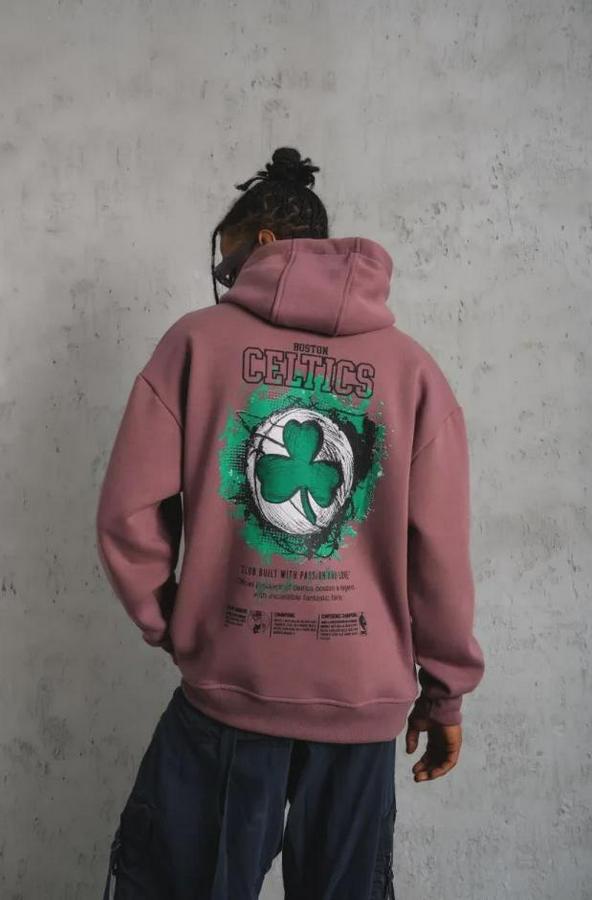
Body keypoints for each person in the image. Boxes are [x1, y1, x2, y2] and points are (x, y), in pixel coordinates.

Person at [96, 147, 485, 900]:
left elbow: (127, 512)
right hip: (362, 701)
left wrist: (176, 623)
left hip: (228, 690)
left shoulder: (195, 343)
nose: (223, 280)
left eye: (226, 263)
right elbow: (438, 552)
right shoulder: (412, 370)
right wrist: (444, 695)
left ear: (266, 244)